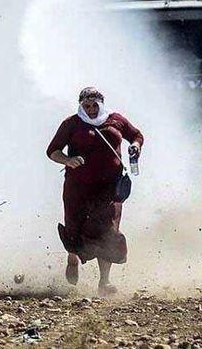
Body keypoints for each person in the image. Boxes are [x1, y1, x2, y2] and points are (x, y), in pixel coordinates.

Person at [46, 87, 143, 296]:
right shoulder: (71, 124)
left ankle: (104, 282)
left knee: (107, 229)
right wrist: (68, 160)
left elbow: (136, 135)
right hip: (78, 187)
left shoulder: (115, 120)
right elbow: (52, 151)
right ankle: (73, 257)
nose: (90, 110)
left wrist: (135, 146)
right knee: (75, 226)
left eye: (94, 105)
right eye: (86, 106)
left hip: (109, 187)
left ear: (101, 104)